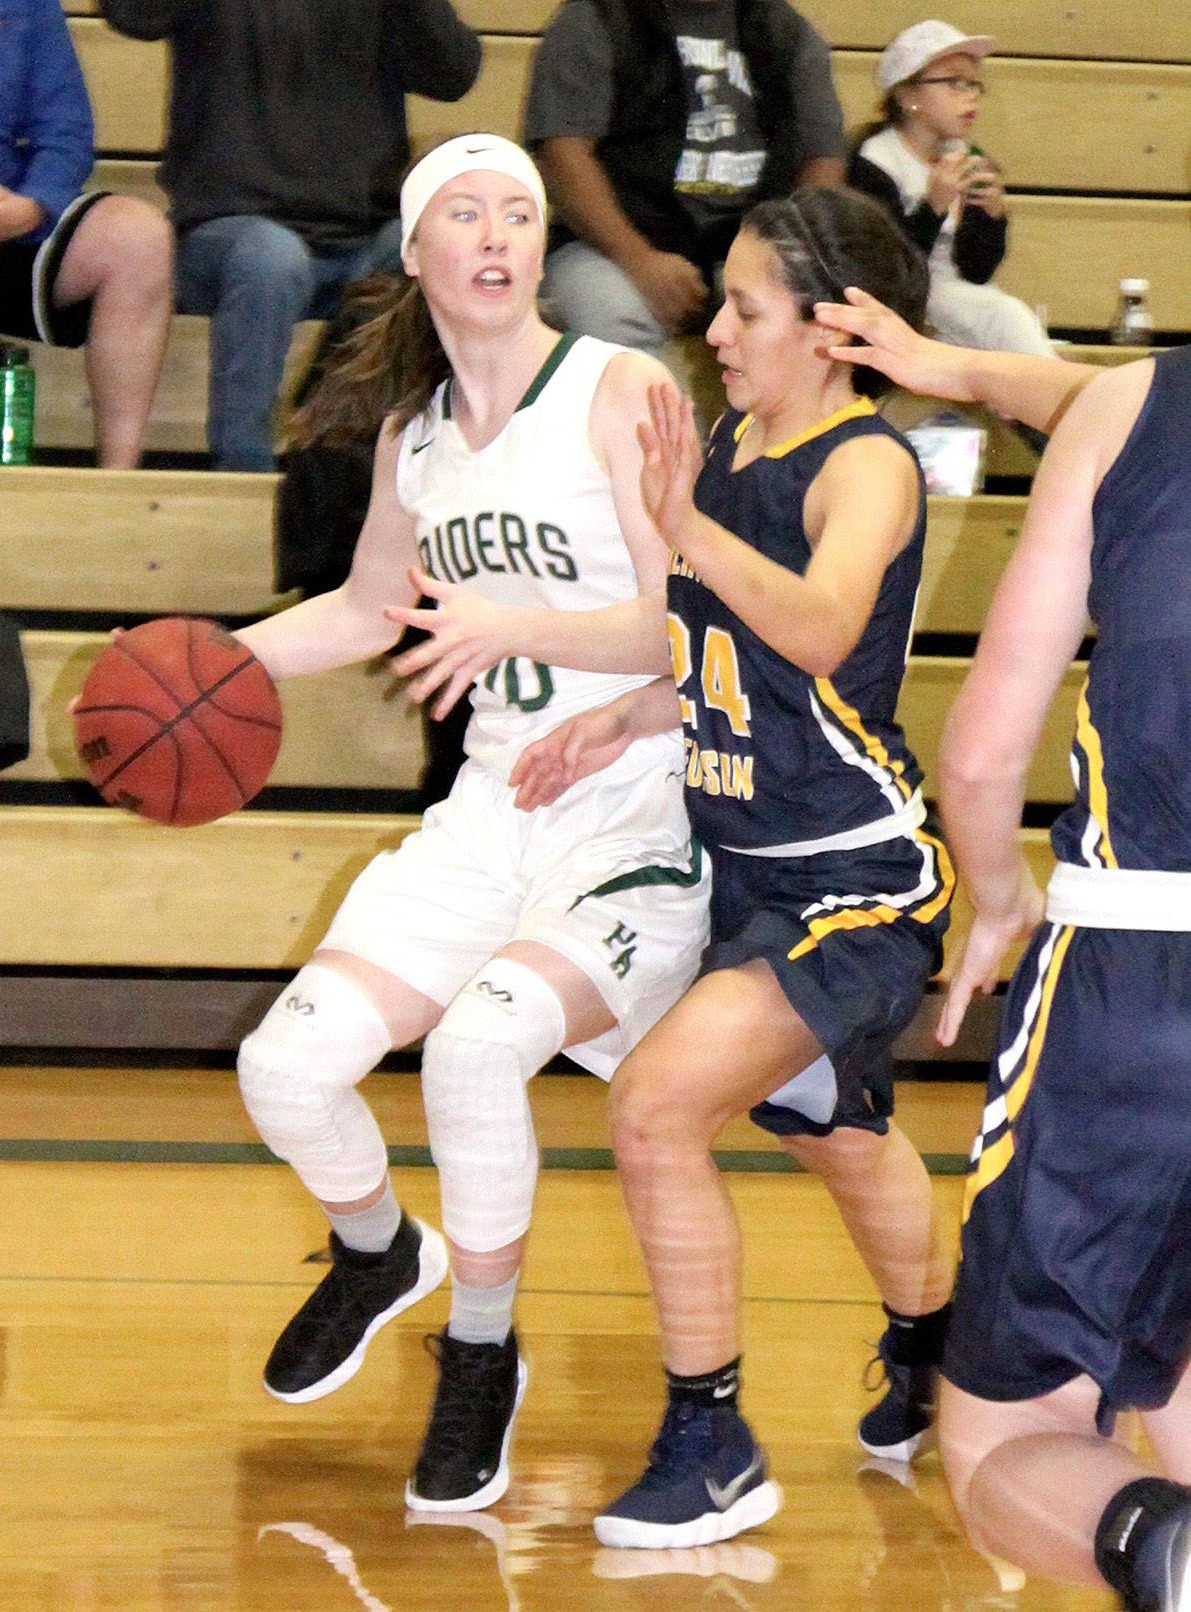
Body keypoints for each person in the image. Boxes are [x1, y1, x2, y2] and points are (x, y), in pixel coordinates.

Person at [231, 134, 711, 1513]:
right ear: (416, 253)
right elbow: (375, 610)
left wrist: (515, 624)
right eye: (467, 211)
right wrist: (220, 661)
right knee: (288, 1071)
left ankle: (483, 1352)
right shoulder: (416, 433)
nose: (498, 232)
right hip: (491, 803)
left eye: (520, 210)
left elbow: (705, 616)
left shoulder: (620, 388)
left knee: (481, 1045)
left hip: (632, 802)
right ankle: (381, 1252)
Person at [510, 185, 956, 1550]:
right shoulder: (734, 434)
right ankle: (942, 1347)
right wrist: (633, 710)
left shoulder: (865, 460)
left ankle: (713, 1442)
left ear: (829, 330)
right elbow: (720, 649)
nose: (720, 329)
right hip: (749, 867)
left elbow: (818, 630)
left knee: (652, 1112)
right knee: (840, 1135)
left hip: (857, 880)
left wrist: (683, 524)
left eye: (748, 308)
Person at [814, 293, 1191, 1612]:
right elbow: (1077, 395)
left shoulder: (1136, 408)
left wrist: (995, 895)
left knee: (1006, 1441)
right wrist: (966, 371)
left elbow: (979, 755)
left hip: (1142, 979)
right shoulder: (1112, 403)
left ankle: (1172, 1558)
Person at [99, 0, 481, 472]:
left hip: (363, 236)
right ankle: (244, 478)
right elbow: (133, 15)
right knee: (270, 259)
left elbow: (453, 73)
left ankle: (370, 476)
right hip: (229, 233)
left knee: (431, 242)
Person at [0, 0, 172, 468]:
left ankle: (118, 489)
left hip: (5, 214)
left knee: (140, 237)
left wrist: (32, 207)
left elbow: (66, 129)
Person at [522, 0, 846, 357]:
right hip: (610, 245)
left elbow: (822, 159)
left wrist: (781, 258)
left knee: (807, 313)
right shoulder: (597, 18)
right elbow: (561, 156)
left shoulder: (783, 30)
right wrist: (638, 259)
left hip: (752, 241)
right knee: (613, 319)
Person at [846, 20, 1056, 360]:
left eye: (975, 85)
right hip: (901, 300)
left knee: (1008, 319)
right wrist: (933, 206)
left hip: (955, 295)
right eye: (954, 83)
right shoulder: (876, 161)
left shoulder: (967, 157)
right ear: (908, 95)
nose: (970, 96)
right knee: (1004, 316)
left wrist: (992, 217)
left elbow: (977, 270)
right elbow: (886, 271)